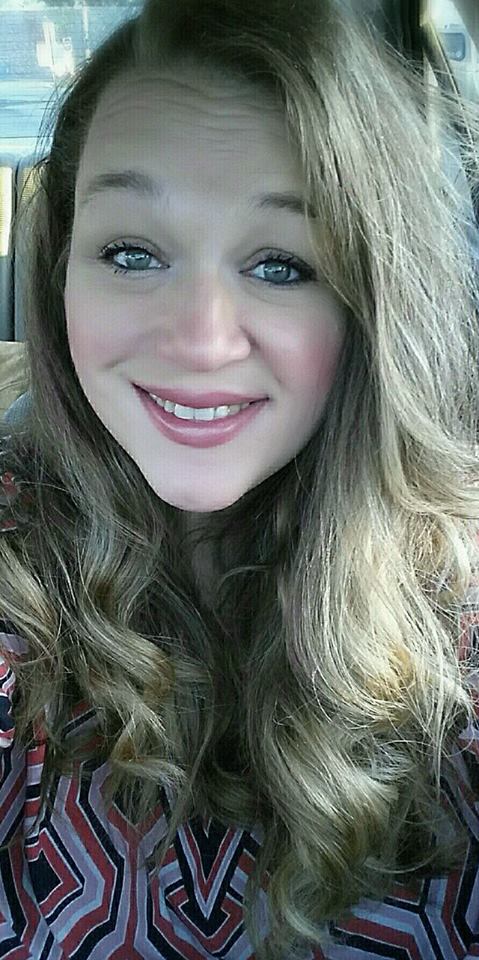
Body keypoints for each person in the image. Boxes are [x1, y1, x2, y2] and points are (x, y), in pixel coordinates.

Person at [0, 0, 478, 957]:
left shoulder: (455, 619)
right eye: (131, 253)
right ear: (60, 276)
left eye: (281, 265)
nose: (201, 341)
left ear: (370, 302)